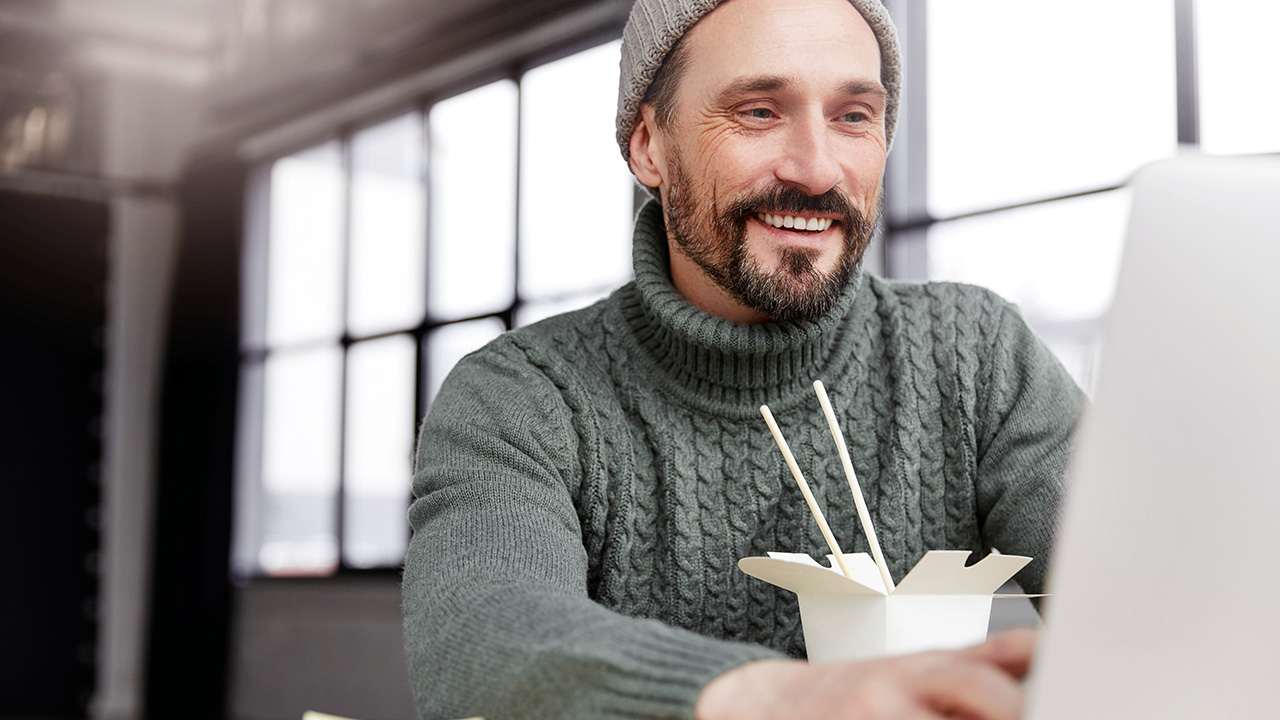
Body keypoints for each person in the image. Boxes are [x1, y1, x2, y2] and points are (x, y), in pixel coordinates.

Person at [402, 0, 1083, 717]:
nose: (818, 170)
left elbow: (1151, 595)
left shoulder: (976, 353)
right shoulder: (523, 395)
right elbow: (479, 638)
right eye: (759, 111)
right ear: (648, 145)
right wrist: (774, 697)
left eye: (854, 116)